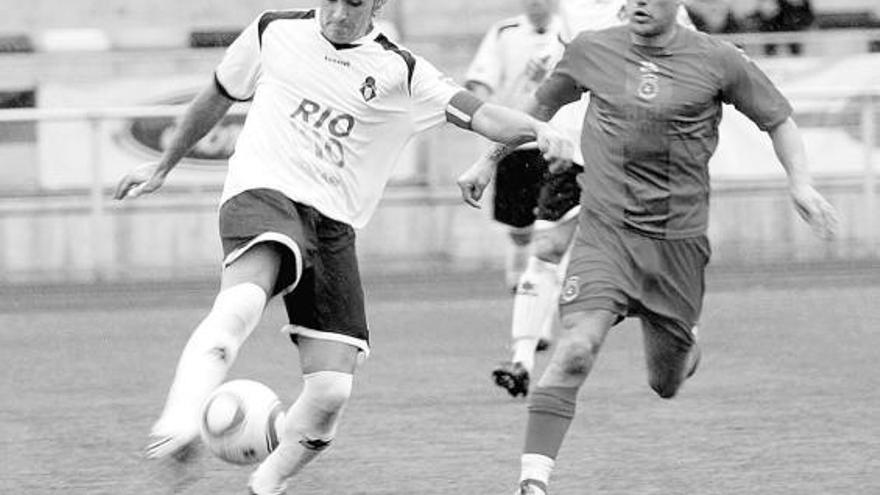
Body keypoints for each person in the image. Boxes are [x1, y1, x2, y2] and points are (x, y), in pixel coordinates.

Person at [114, 1, 573, 494]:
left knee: (331, 391)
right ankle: (177, 427)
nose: (337, 13)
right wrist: (163, 164)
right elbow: (218, 93)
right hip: (263, 193)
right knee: (244, 298)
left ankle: (263, 486)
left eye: (353, 3)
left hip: (333, 226)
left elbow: (482, 115)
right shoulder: (274, 30)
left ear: (376, 4)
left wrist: (540, 129)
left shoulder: (402, 69)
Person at [457, 0, 839, 493]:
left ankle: (685, 345)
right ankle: (532, 481)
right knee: (574, 351)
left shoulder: (719, 59)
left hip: (676, 247)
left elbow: (778, 119)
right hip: (605, 234)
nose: (636, 2)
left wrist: (801, 185)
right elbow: (538, 108)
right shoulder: (592, 49)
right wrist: (487, 162)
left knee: (666, 383)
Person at [489, 0, 695, 399]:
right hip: (573, 152)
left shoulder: (654, 7)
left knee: (653, 265)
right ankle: (521, 358)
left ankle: (683, 328)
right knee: (546, 247)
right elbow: (563, 52)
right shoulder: (572, 7)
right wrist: (545, 61)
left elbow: (690, 46)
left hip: (635, 157)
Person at [464, 0, 584, 397]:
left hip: (571, 149)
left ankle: (535, 325)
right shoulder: (505, 34)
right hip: (523, 144)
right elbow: (483, 83)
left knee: (549, 243)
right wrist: (482, 113)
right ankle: (525, 322)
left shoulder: (576, 26)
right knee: (526, 235)